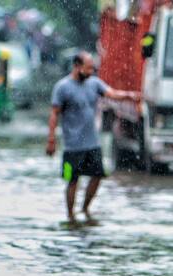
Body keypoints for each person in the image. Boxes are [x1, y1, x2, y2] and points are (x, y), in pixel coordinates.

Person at [47, 51, 140, 226]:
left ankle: (85, 208)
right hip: (71, 147)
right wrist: (51, 139)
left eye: (92, 68)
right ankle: (70, 215)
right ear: (77, 66)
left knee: (98, 175)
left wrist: (130, 95)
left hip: (92, 144)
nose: (91, 71)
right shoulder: (62, 87)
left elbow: (112, 93)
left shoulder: (94, 83)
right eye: (88, 68)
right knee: (72, 180)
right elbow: (54, 114)